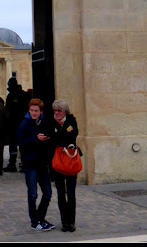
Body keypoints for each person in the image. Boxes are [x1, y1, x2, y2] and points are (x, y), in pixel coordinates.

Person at [17, 98, 55, 231]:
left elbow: (50, 136)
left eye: (36, 111)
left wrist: (48, 139)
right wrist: (35, 139)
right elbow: (21, 143)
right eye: (32, 110)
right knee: (33, 193)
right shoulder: (24, 124)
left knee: (48, 193)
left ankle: (40, 217)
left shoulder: (44, 122)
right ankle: (34, 222)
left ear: (41, 111)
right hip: (30, 163)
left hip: (42, 163)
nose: (33, 113)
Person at [51, 99, 79, 232]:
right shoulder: (51, 122)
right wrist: (63, 133)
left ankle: (71, 222)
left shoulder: (71, 120)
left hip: (70, 160)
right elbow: (52, 138)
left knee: (71, 194)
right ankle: (64, 222)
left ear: (65, 111)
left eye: (59, 111)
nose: (57, 113)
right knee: (61, 194)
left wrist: (60, 133)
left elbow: (74, 134)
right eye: (55, 111)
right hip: (58, 162)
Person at [4, 77, 29, 171]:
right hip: (15, 124)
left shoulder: (19, 95)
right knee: (15, 145)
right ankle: (14, 164)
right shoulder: (12, 95)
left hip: (18, 124)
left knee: (20, 145)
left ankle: (21, 164)